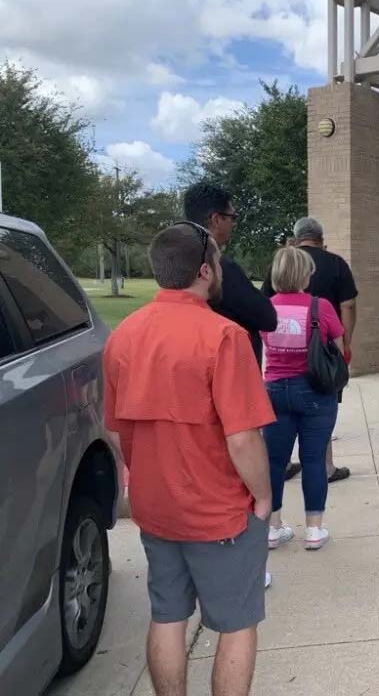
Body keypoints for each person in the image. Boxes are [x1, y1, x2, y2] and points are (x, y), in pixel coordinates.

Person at [103, 223, 275, 696]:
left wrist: (144, 478)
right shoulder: (224, 336)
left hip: (156, 508)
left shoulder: (124, 335)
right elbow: (243, 439)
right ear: (205, 270)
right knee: (237, 625)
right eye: (217, 261)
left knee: (167, 616)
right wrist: (263, 498)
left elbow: (115, 430)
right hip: (219, 511)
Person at [261, 247, 345, 553]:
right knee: (313, 459)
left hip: (275, 389)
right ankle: (313, 529)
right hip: (315, 391)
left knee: (274, 461)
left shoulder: (266, 307)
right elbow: (339, 349)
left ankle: (273, 528)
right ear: (304, 274)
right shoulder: (321, 307)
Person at [264, 217, 356, 484]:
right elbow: (348, 305)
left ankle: (282, 466)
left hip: (282, 356)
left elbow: (265, 305)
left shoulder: (281, 263)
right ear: (320, 237)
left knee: (281, 417)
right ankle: (326, 467)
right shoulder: (336, 263)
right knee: (321, 408)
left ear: (296, 238)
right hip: (322, 355)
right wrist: (345, 343)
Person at [183, 183, 277, 366]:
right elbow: (268, 318)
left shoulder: (177, 263)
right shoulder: (221, 269)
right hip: (229, 368)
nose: (234, 223)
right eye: (232, 217)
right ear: (216, 219)